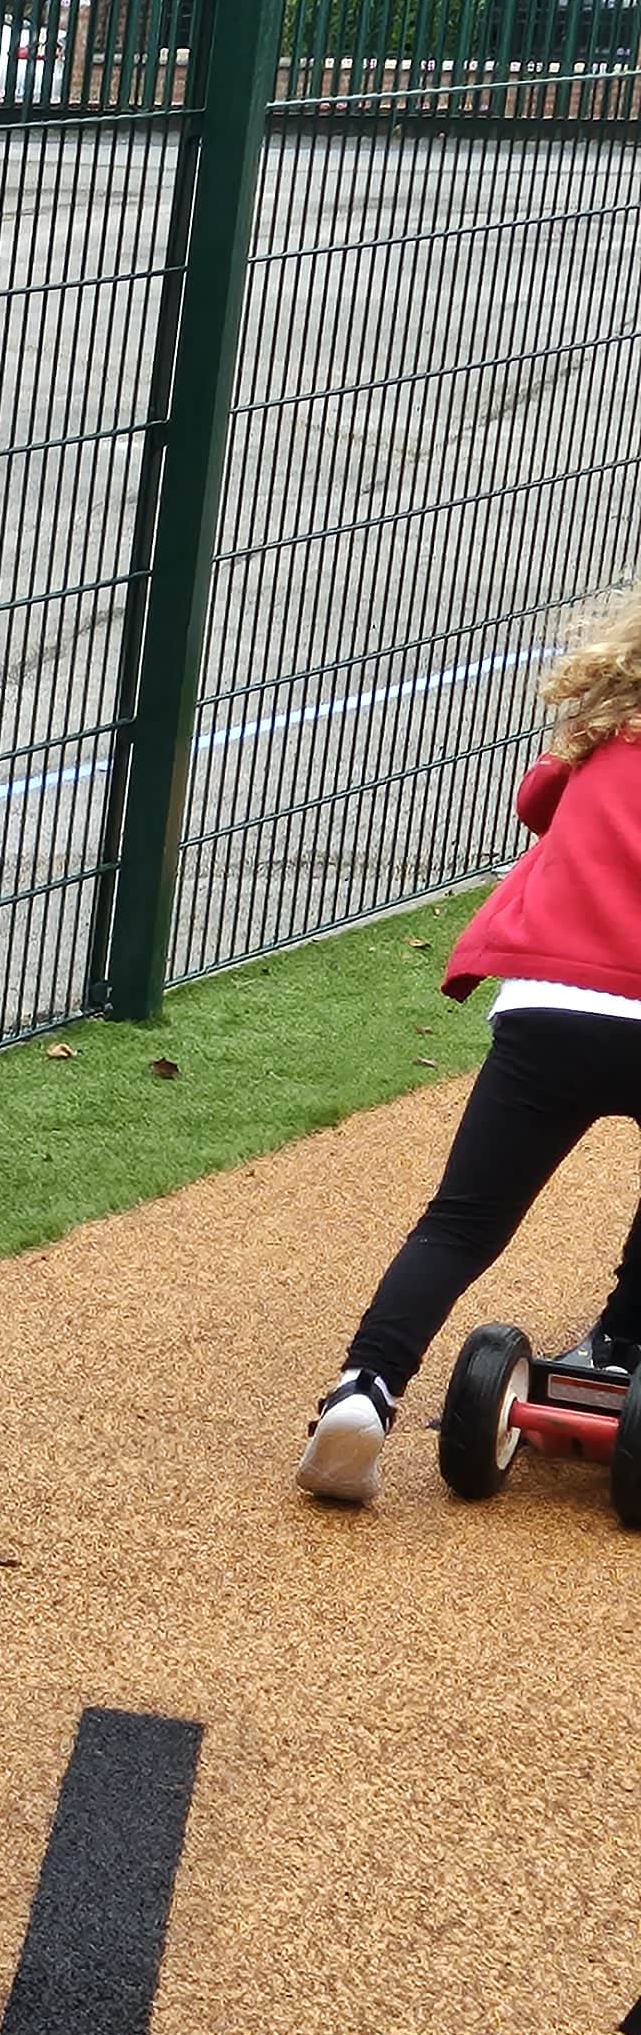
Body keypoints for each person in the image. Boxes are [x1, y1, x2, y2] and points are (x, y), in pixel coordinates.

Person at [298, 569, 641, 1504]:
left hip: (550, 1008)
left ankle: (365, 1389)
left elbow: (540, 811)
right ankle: (624, 1338)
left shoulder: (602, 744)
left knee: (461, 1221)